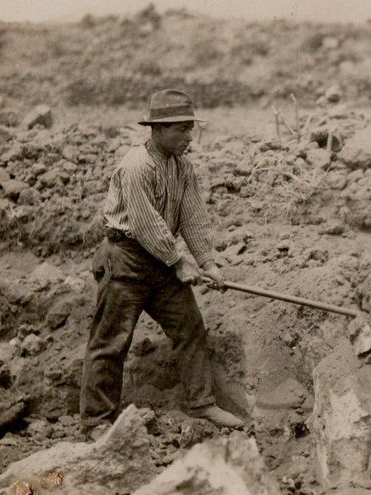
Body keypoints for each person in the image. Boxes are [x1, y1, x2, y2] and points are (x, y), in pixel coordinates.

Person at [80, 89, 243, 435]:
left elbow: (193, 216)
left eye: (190, 129)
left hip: (160, 260)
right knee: (111, 341)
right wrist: (178, 261)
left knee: (189, 326)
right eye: (181, 130)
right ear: (157, 130)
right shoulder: (136, 166)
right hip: (126, 259)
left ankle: (201, 403)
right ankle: (97, 420)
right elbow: (143, 223)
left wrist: (207, 261)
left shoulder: (182, 167)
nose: (188, 137)